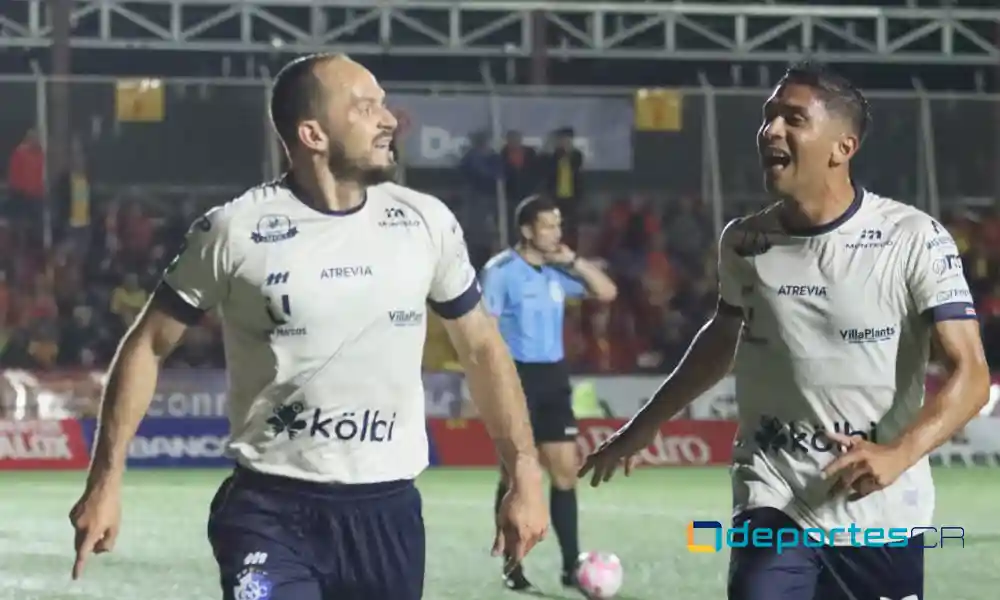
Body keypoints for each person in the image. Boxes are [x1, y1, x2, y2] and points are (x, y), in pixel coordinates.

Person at [68, 53, 549, 600]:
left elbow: (483, 349)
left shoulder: (425, 222)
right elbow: (148, 345)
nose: (389, 119)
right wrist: (105, 480)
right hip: (270, 512)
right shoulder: (235, 231)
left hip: (386, 516)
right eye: (367, 107)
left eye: (384, 105)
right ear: (313, 133)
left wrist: (524, 473)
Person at [580, 61, 990, 600]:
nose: (771, 130)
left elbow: (973, 376)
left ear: (842, 147)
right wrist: (646, 423)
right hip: (772, 487)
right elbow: (722, 338)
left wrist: (898, 454)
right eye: (769, 117)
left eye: (793, 119)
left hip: (879, 506)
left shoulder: (914, 239)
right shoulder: (746, 241)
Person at [481, 194, 617, 593]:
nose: (556, 232)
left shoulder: (557, 272)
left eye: (559, 224)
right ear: (527, 231)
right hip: (516, 379)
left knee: (565, 473)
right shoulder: (500, 271)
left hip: (554, 379)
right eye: (548, 226)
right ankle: (512, 562)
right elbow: (484, 332)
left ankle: (570, 565)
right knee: (515, 477)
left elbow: (606, 292)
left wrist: (571, 260)